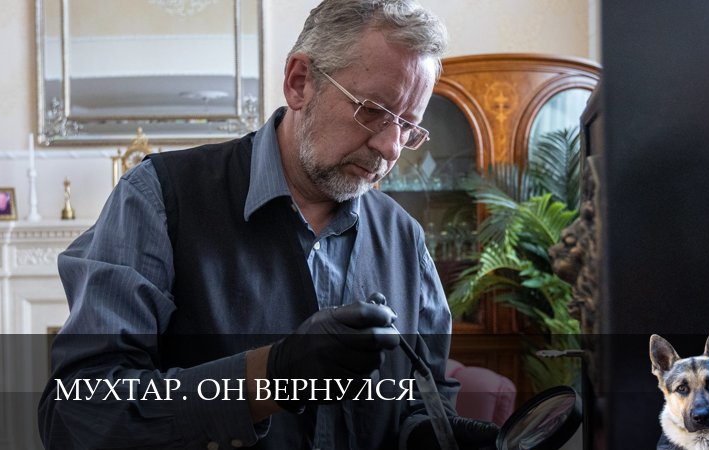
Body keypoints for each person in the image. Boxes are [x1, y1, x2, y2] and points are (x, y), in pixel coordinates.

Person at [38, 1, 500, 449]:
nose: (391, 147)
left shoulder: (405, 238)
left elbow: (422, 395)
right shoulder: (159, 198)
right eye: (373, 110)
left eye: (408, 127)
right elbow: (78, 417)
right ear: (299, 82)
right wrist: (270, 377)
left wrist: (427, 432)